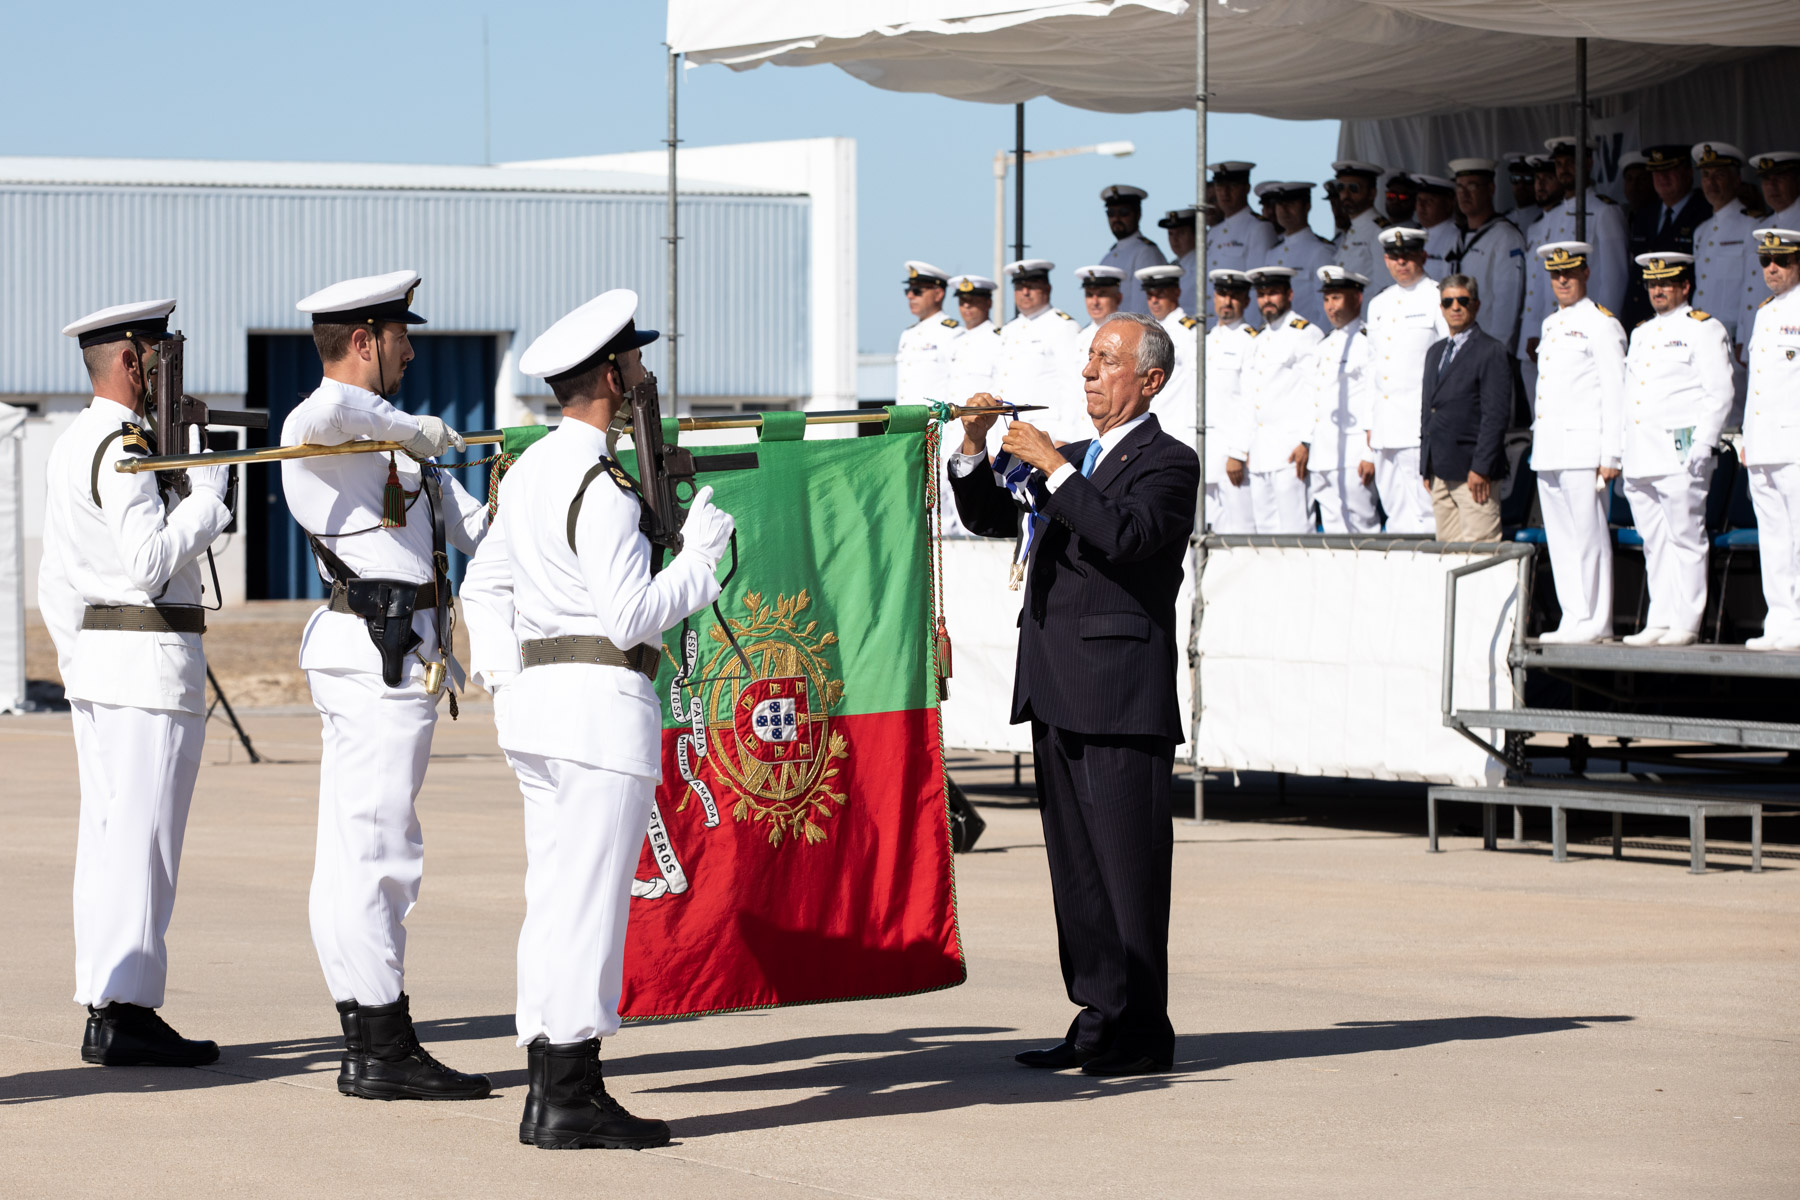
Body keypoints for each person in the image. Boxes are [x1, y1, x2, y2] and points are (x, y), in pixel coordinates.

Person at [472, 290, 736, 1148]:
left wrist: (511, 683)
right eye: (635, 363)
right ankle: (569, 1094)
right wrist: (701, 560)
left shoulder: (535, 469)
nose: (643, 375)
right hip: (597, 713)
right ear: (612, 378)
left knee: (554, 901)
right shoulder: (603, 485)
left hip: (544, 713)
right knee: (587, 909)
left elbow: (486, 589)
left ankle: (551, 1082)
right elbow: (631, 616)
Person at [948, 311, 1196, 1077]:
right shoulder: (1078, 454)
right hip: (1056, 684)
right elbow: (991, 514)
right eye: (1089, 359)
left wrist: (1055, 468)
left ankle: (1143, 1029)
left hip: (1120, 692)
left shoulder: (1169, 462)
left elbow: (1124, 536)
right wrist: (975, 445)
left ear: (1148, 379)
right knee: (1078, 871)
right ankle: (1096, 1015)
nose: (1089, 373)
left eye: (1107, 360)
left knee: (1128, 866)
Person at [280, 271, 492, 1101]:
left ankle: (371, 1030)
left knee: (359, 851)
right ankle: (378, 1040)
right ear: (367, 338)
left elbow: (479, 534)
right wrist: (415, 430)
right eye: (402, 335)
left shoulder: (398, 448)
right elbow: (336, 410)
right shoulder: (324, 424)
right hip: (375, 652)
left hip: (402, 653)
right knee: (377, 853)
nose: (411, 349)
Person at [36, 300, 231, 1068]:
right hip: (146, 669)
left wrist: (78, 662)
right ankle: (126, 1011)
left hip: (106, 665)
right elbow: (150, 562)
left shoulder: (75, 440)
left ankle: (108, 1003)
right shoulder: (123, 446)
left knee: (113, 840)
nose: (167, 372)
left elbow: (57, 581)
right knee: (142, 845)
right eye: (160, 356)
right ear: (131, 362)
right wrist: (210, 500)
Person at [1618, 253, 1734, 647]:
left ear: (1685, 286)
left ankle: (1687, 620)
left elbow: (1719, 391)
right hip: (1641, 453)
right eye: (1652, 284)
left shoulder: (1704, 328)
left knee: (1686, 537)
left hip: (1680, 452)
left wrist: (1704, 442)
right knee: (1654, 540)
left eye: (1666, 283)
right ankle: (1661, 618)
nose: (1658, 290)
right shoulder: (1640, 332)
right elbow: (1631, 396)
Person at [1530, 243, 1626, 644]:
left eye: (1569, 273)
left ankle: (1596, 619)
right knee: (1562, 538)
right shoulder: (1551, 324)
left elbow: (1615, 391)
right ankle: (1574, 615)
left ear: (1586, 273)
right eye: (1555, 274)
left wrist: (1611, 454)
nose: (1562, 280)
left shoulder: (1602, 323)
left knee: (1589, 536)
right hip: (1550, 448)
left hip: (1584, 449)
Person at [1363, 225, 1450, 533]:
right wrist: (1369, 424)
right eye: (1394, 256)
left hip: (1419, 424)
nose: (1401, 262)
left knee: (1426, 513)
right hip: (1385, 427)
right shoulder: (1379, 304)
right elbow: (1372, 368)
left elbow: (1449, 362)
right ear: (1386, 260)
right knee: (1395, 512)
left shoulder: (1438, 297)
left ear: (1423, 255)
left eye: (1408, 255)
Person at [1226, 266, 1324, 532]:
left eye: (1273, 293)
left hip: (1291, 452)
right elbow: (1250, 398)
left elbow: (1318, 390)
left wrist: (1306, 440)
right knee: (1265, 532)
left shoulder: (1305, 333)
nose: (1266, 299)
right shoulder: (1259, 339)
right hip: (1259, 454)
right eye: (1262, 294)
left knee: (1296, 531)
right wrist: (1239, 449)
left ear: (1289, 294)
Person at [1420, 275, 1512, 542]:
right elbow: (1428, 410)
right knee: (1447, 557)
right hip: (1439, 471)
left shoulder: (1491, 350)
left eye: (1462, 300)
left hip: (1474, 474)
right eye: (1448, 301)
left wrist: (1481, 467)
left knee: (1479, 556)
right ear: (1441, 308)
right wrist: (1426, 466)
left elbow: (1495, 415)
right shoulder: (1435, 352)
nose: (1455, 307)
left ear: (1476, 305)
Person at [1742, 229, 1800, 650]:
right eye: (1766, 261)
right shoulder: (1763, 313)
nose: (1772, 268)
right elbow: (1756, 385)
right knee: (1774, 536)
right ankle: (1779, 617)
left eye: (1781, 260)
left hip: (1795, 441)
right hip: (1764, 444)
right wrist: (1747, 436)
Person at [1305, 266, 1380, 533]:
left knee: (1361, 526)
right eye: (1326, 299)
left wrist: (1369, 453)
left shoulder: (1368, 341)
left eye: (1336, 298)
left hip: (1353, 455)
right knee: (1333, 532)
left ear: (1357, 298)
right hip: (1323, 455)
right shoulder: (1323, 345)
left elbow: (1374, 397)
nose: (1330, 307)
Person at [1621, 146, 1713, 330]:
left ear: (1688, 173)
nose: (1662, 178)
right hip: (1642, 318)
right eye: (1657, 172)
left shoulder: (1705, 213)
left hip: (1682, 319)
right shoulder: (1645, 214)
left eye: (1670, 171)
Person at [941, 274, 1004, 535]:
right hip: (951, 440)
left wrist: (995, 447)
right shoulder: (954, 341)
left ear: (987, 303)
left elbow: (1001, 395)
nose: (966, 307)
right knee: (943, 518)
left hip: (980, 440)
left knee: (973, 518)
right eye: (963, 301)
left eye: (973, 301)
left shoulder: (999, 339)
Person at [998, 259, 1085, 444]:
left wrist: (1065, 437)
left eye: (1031, 286)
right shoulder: (1008, 330)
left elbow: (1073, 386)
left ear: (1047, 288)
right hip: (1008, 432)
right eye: (1020, 287)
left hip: (1045, 433)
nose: (1025, 292)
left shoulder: (1062, 326)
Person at [1690, 143, 1765, 356]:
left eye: (1719, 175)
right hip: (1701, 334)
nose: (1711, 183)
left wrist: (1745, 336)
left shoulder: (1752, 225)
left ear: (1736, 180)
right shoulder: (1702, 231)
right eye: (1706, 175)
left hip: (1731, 337)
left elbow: (1752, 289)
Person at [1446, 158, 1527, 351]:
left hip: (1486, 347)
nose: (1464, 195)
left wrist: (1497, 351)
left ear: (1491, 189)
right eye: (1459, 188)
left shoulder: (1505, 236)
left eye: (1472, 187)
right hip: (1456, 344)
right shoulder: (1457, 237)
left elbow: (1507, 302)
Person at [1204, 269, 1258, 533]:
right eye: (1222, 295)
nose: (1227, 302)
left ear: (1246, 301)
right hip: (1205, 454)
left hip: (1233, 456)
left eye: (1234, 296)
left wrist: (1237, 452)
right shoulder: (1204, 340)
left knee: (1241, 531)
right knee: (1205, 534)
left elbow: (1251, 400)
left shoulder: (1251, 341)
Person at [1736, 153, 1800, 356]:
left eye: (1779, 178)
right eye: (1766, 180)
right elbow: (1748, 285)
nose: (1772, 186)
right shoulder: (1760, 228)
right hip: (1761, 329)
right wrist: (1742, 335)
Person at [1137, 264, 1198, 449]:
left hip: (1178, 428)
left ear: (1176, 292)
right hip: (1147, 427)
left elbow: (1197, 386)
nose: (1154, 300)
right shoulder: (1145, 330)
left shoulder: (1190, 332)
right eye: (1150, 295)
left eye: (1161, 294)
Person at [1205, 162, 1280, 303]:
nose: (1225, 193)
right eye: (1220, 186)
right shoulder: (1213, 233)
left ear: (1246, 188)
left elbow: (1257, 285)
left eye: (1232, 186)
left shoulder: (1259, 228)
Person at [1266, 182, 1336, 326]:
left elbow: (1326, 308)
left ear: (1307, 206)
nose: (1284, 210)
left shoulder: (1320, 251)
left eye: (1291, 204)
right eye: (1280, 205)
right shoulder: (1272, 253)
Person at [895, 261, 961, 406]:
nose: (910, 296)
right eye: (908, 291)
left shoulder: (954, 334)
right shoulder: (908, 335)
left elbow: (958, 388)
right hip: (905, 421)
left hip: (934, 424)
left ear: (938, 294)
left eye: (917, 291)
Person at [1098, 185, 1168, 314]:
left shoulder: (1146, 252)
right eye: (1111, 213)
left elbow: (1143, 310)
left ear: (1138, 215)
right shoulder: (1107, 258)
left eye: (1123, 213)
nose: (1116, 219)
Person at [1331, 160, 1396, 295]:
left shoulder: (1380, 231)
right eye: (1341, 188)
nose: (1346, 195)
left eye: (1354, 188)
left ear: (1372, 193)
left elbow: (1385, 285)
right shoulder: (1352, 230)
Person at [1412, 174, 1461, 280]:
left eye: (1429, 200)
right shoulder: (1414, 236)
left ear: (1448, 204)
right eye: (1419, 200)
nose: (1422, 206)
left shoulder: (1457, 237)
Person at [1158, 205, 1199, 315]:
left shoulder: (1203, 265)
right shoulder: (1171, 267)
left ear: (1196, 234)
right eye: (1171, 234)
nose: (1175, 239)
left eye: (1181, 233)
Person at [1503, 152, 1543, 231]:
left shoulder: (1543, 216)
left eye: (1527, 179)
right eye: (1516, 179)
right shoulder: (1505, 218)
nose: (1521, 185)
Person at [1619, 151, 1654, 220]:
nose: (1634, 186)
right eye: (1629, 179)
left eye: (1642, 179)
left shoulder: (1660, 216)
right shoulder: (1622, 213)